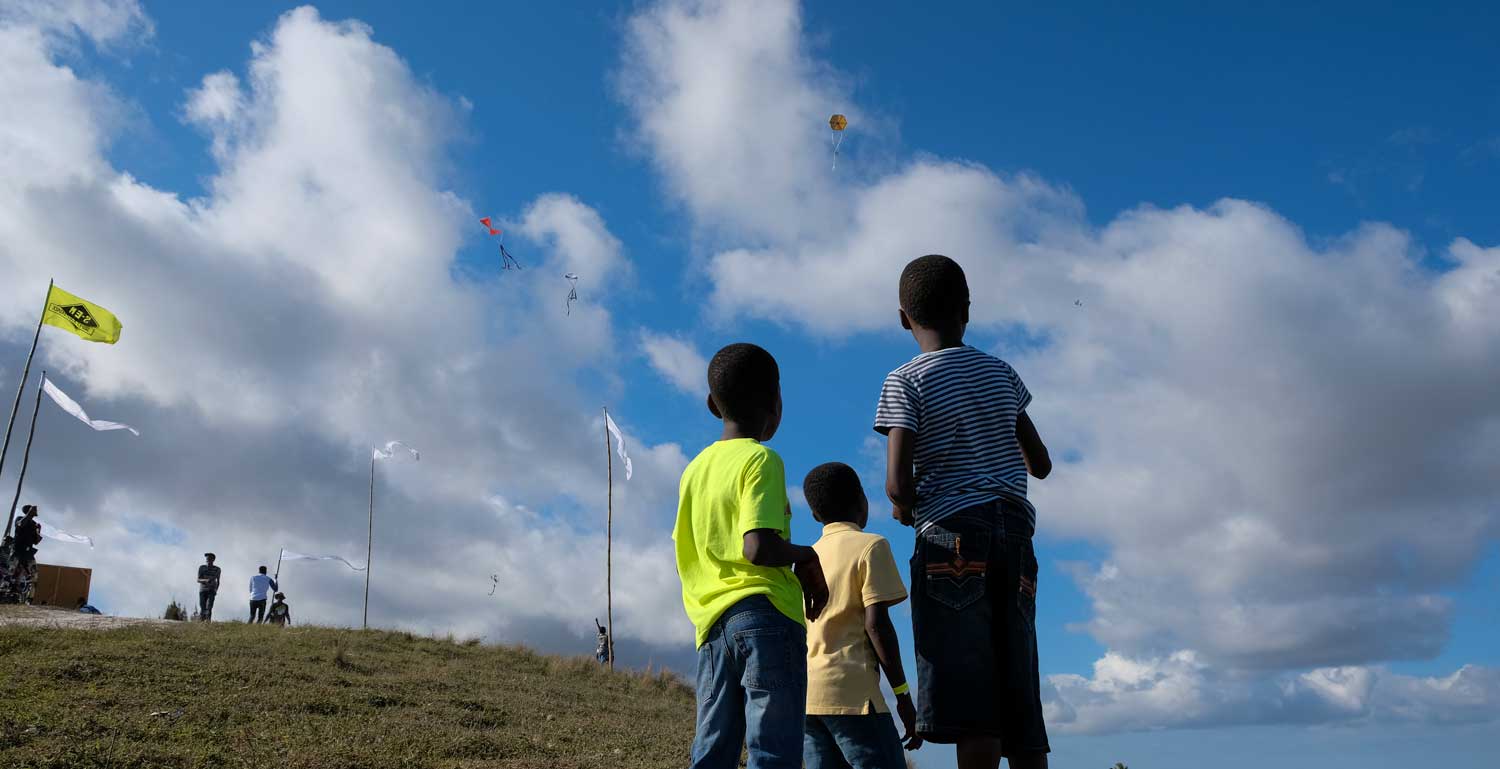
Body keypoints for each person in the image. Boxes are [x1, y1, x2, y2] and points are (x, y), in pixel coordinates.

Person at [875, 255, 1053, 769]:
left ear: (904, 318)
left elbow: (896, 481)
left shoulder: (905, 380)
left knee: (974, 704)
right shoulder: (1001, 372)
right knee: (1019, 693)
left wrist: (903, 507)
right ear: (967, 311)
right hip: (1015, 531)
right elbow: (1039, 464)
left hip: (951, 537)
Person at [674, 342, 829, 769]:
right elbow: (757, 547)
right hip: (766, 618)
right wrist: (807, 555)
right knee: (773, 752)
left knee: (712, 749)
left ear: (711, 403)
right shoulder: (761, 459)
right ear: (776, 405)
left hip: (710, 625)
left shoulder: (694, 470)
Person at [801, 462, 919, 769]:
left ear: (815, 515)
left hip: (809, 697)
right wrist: (903, 697)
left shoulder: (807, 559)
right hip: (855, 697)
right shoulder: (871, 546)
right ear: (862, 501)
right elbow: (877, 625)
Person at [13, 505, 42, 569]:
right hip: (18, 549)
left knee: (32, 574)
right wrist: (30, 513)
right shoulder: (20, 518)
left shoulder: (34, 524)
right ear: (28, 510)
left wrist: (38, 531)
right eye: (33, 509)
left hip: (28, 552)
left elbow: (36, 542)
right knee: (11, 571)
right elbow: (20, 524)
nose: (36, 511)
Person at [196, 553, 221, 622]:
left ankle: (208, 622)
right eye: (206, 558)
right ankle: (201, 622)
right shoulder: (202, 567)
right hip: (202, 590)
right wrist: (206, 580)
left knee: (209, 607)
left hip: (211, 590)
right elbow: (198, 579)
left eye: (209, 558)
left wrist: (216, 590)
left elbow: (218, 581)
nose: (207, 559)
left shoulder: (217, 569)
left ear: (213, 560)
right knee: (202, 607)